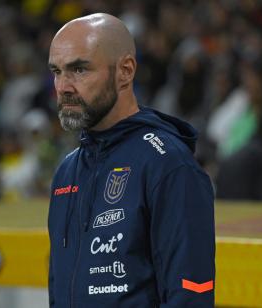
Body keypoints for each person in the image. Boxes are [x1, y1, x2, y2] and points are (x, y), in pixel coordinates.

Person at [47, 13, 215, 307]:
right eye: (57, 72)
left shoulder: (168, 164)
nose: (63, 87)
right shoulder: (67, 172)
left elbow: (191, 294)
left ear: (125, 71)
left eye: (79, 70)